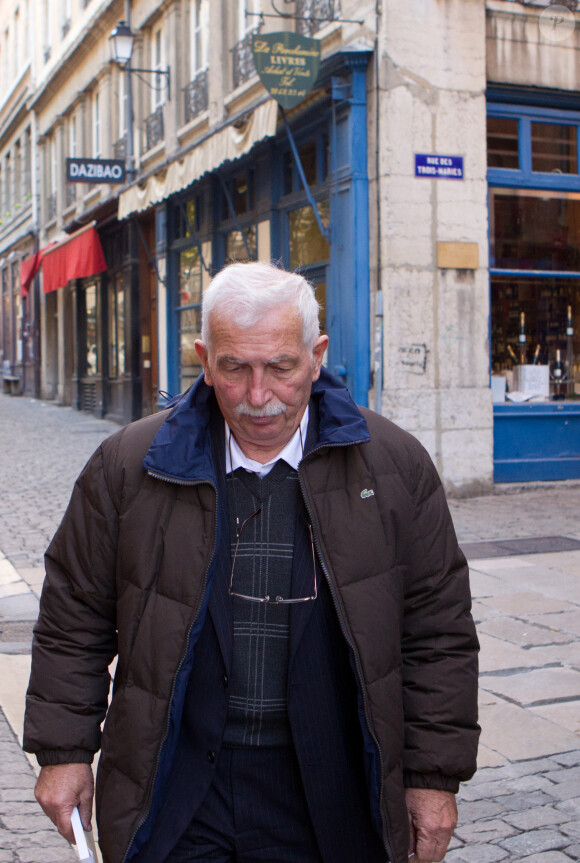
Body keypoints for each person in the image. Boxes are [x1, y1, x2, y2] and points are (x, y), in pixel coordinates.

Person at [24, 261, 479, 863]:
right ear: (204, 360)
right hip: (177, 786)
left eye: (280, 368)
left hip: (332, 787)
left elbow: (437, 630)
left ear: (315, 356)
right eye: (235, 368)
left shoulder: (394, 466)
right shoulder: (127, 466)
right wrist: (63, 752)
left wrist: (433, 777)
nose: (258, 396)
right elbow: (73, 619)